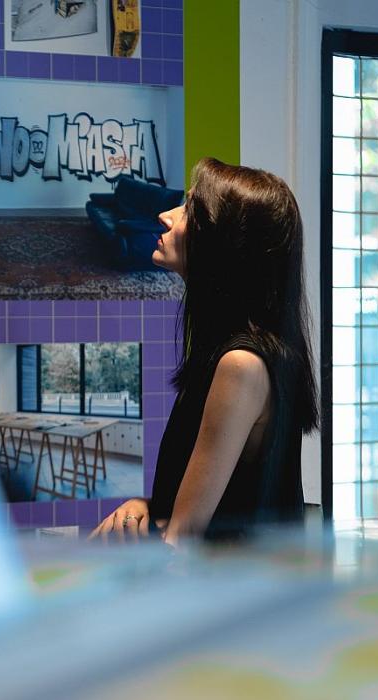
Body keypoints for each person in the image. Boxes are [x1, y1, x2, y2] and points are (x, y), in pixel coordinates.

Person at [90, 158, 319, 546]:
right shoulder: (227, 352)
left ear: (224, 242)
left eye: (190, 210)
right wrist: (145, 506)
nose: (166, 216)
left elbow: (184, 540)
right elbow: (213, 514)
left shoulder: (241, 365)